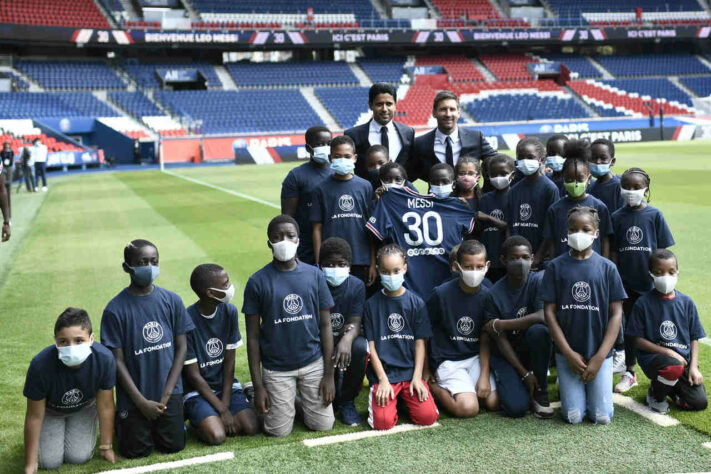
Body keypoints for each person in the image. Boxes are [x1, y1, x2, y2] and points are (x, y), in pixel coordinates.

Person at [243, 215, 335, 437]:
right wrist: (258, 386)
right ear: (269, 243)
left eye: (290, 236)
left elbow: (325, 326)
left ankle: (290, 401)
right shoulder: (257, 282)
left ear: (298, 240)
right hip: (277, 368)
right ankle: (249, 391)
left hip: (313, 363)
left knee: (323, 425)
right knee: (277, 431)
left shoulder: (314, 275)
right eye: (277, 237)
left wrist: (328, 375)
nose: (284, 240)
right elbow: (253, 338)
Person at [100, 239, 194, 458]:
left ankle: (178, 412)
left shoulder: (172, 300)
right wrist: (141, 403)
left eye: (154, 261)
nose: (149, 267)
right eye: (142, 262)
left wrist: (168, 395)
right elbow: (117, 361)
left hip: (169, 392)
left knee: (174, 445)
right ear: (127, 267)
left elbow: (182, 348)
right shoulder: (115, 310)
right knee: (135, 451)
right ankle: (123, 422)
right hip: (135, 397)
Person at [541, 207, 626, 425]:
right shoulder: (555, 267)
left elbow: (616, 314)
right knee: (573, 416)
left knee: (602, 417)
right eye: (573, 229)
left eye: (585, 229)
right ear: (567, 232)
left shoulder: (608, 268)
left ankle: (591, 381)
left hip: (600, 352)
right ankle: (569, 382)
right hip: (567, 352)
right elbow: (549, 312)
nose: (579, 233)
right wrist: (568, 353)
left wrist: (599, 358)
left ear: (596, 233)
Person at [23, 308, 116, 472]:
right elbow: (34, 415)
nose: (71, 347)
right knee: (49, 462)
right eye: (63, 341)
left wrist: (106, 446)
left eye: (79, 340)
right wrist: (31, 463)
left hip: (84, 407)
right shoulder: (40, 365)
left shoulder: (104, 359)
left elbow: (106, 406)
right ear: (55, 341)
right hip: (51, 411)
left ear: (91, 339)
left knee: (79, 457)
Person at [366, 163, 476, 299]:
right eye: (437, 182)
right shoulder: (391, 202)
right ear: (429, 184)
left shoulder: (456, 205)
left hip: (423, 277)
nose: (441, 186)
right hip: (420, 277)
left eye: (444, 182)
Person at [611, 168, 674, 393]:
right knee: (629, 329)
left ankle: (667, 370)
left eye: (636, 187)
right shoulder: (616, 217)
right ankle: (630, 371)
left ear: (646, 190)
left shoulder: (654, 215)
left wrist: (663, 278)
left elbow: (663, 252)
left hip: (650, 284)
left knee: (656, 328)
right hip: (626, 284)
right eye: (626, 187)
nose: (631, 191)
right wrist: (615, 278)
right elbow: (615, 252)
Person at [364, 243, 439, 430]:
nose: (392, 276)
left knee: (427, 417)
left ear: (405, 268)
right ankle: (394, 401)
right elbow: (371, 346)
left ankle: (405, 400)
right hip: (386, 375)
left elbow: (420, 343)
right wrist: (382, 379)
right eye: (386, 272)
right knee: (382, 423)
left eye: (396, 270)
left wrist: (417, 377)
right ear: (379, 271)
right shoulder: (371, 305)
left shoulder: (416, 303)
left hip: (409, 374)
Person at [183, 264, 259, 445]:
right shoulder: (187, 320)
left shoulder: (229, 311)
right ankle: (198, 419)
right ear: (210, 293)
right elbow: (193, 376)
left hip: (226, 387)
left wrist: (224, 405)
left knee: (251, 427)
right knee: (217, 436)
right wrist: (223, 411)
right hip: (198, 392)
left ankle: (248, 393)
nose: (230, 287)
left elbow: (229, 364)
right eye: (225, 284)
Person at [626, 249, 707, 413]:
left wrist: (693, 367)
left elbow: (694, 337)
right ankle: (656, 395)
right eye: (659, 272)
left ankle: (669, 387)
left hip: (683, 362)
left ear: (677, 273)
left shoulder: (686, 303)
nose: (666, 277)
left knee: (699, 403)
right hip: (656, 359)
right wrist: (669, 352)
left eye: (671, 272)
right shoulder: (643, 303)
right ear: (651, 275)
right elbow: (636, 340)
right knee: (672, 367)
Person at [482, 236, 553, 419]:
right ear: (503, 260)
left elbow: (542, 316)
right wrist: (524, 374)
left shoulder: (538, 281)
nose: (520, 262)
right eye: (514, 258)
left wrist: (501, 324)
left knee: (539, 331)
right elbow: (500, 340)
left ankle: (541, 393)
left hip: (532, 347)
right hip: (507, 355)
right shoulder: (494, 294)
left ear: (532, 258)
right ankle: (519, 383)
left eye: (524, 257)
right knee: (516, 408)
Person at [426, 240, 499, 417]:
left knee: (493, 402)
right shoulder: (440, 294)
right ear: (457, 267)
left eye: (479, 267)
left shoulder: (488, 296)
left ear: (487, 266)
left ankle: (468, 388)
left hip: (475, 358)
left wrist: (484, 375)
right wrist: (426, 370)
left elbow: (486, 338)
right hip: (448, 360)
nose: (474, 272)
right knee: (469, 408)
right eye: (468, 267)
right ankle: (434, 388)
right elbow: (424, 332)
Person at [311, 135, 375, 286]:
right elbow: (317, 229)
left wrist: (373, 263)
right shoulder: (321, 189)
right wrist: (319, 261)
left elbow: (372, 227)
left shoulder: (365, 186)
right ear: (330, 157)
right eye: (337, 156)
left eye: (347, 156)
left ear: (355, 158)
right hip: (331, 262)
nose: (342, 160)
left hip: (361, 258)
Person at [319, 237, 368, 426]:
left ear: (349, 265)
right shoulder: (315, 283)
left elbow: (355, 321)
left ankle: (347, 401)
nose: (335, 268)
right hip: (319, 339)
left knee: (358, 346)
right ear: (320, 265)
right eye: (329, 264)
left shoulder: (356, 285)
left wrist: (347, 339)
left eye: (341, 264)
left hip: (342, 338)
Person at [537, 143, 613, 263]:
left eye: (580, 179)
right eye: (570, 179)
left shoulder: (599, 206)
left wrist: (604, 264)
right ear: (563, 179)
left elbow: (605, 240)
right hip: (564, 266)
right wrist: (553, 264)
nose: (575, 183)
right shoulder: (555, 209)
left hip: (592, 266)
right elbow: (551, 241)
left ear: (588, 179)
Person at [413, 91, 496, 183]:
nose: (448, 114)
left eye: (452, 109)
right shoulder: (420, 144)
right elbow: (408, 175)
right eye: (443, 109)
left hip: (470, 197)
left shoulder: (475, 137)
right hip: (436, 197)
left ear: (458, 113)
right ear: (434, 113)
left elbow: (496, 161)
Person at [281, 126, 333, 264]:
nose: (325, 148)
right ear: (308, 148)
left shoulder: (338, 173)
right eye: (320, 144)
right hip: (306, 248)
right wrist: (293, 252)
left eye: (329, 144)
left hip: (336, 245)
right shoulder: (295, 176)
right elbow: (288, 218)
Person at [344, 83, 415, 181]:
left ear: (395, 105)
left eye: (389, 104)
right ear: (370, 105)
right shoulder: (353, 135)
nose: (384, 109)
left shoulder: (408, 132)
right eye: (379, 104)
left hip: (398, 194)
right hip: (368, 194)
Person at [507, 137, 560, 259]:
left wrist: (539, 256)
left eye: (530, 157)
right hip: (517, 256)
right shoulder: (513, 191)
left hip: (541, 257)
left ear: (541, 160)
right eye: (521, 157)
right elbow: (510, 225)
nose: (525, 161)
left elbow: (551, 227)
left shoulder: (550, 189)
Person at [478, 153, 515, 282]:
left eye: (503, 173)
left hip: (505, 256)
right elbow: (480, 227)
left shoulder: (515, 196)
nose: (498, 178)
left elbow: (510, 226)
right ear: (488, 176)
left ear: (512, 175)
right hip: (488, 254)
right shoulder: (485, 199)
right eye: (494, 175)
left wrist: (488, 218)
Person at [588, 139, 625, 214]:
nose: (598, 162)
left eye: (603, 158)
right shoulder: (589, 186)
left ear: (612, 161)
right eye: (593, 158)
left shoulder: (620, 186)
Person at [1, 141, 13, 218]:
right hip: (3, 168)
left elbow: (12, 159)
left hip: (9, 167)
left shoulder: (11, 152)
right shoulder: (2, 152)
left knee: (7, 184)